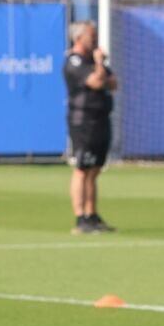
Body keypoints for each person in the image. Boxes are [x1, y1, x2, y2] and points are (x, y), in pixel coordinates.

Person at [63, 20, 117, 234]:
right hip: (83, 121)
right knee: (82, 169)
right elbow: (96, 82)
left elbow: (113, 83)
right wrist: (99, 65)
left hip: (101, 118)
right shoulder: (75, 61)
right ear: (78, 38)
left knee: (94, 170)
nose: (94, 40)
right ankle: (80, 218)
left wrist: (100, 66)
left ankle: (92, 215)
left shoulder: (94, 60)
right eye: (91, 36)